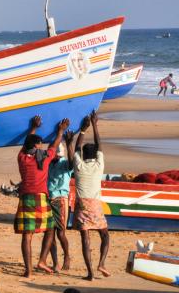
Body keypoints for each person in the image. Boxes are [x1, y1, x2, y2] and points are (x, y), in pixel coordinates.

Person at [14, 116, 69, 277]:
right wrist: (61, 130)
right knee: (50, 229)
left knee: (27, 235)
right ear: (37, 145)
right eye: (40, 144)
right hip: (41, 197)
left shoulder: (22, 158)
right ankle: (42, 260)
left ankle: (28, 270)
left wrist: (33, 127)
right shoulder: (44, 158)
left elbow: (26, 144)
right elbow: (55, 144)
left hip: (26, 198)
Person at [70, 111, 110, 281]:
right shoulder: (99, 165)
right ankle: (101, 263)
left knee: (85, 239)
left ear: (84, 155)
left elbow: (77, 148)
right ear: (95, 156)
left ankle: (90, 273)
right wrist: (95, 124)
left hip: (81, 206)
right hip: (95, 205)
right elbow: (99, 145)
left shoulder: (78, 166)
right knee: (105, 235)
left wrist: (83, 130)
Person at [47, 137, 74, 272]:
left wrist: (69, 144)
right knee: (50, 234)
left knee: (61, 234)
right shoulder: (49, 163)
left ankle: (67, 256)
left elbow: (72, 163)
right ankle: (55, 263)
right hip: (49, 199)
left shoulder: (65, 164)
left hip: (61, 200)